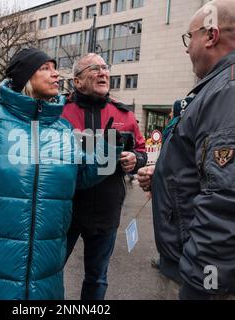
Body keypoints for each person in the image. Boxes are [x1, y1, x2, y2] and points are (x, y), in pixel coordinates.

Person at [0, 47, 122, 300]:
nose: (56, 74)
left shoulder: (62, 129)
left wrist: (109, 149)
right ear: (25, 78)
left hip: (47, 260)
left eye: (55, 68)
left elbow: (79, 178)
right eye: (45, 68)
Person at [137, 0, 235, 300]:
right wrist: (168, 174)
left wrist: (202, 282)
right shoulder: (232, 83)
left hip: (212, 280)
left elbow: (234, 202)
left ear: (210, 35)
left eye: (188, 37)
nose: (187, 48)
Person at [62, 53, 147, 300]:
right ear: (78, 81)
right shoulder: (60, 112)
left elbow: (141, 152)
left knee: (97, 277)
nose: (102, 72)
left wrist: (134, 158)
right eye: (94, 68)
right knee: (51, 270)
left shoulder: (125, 115)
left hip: (106, 211)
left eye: (105, 68)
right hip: (66, 208)